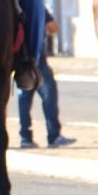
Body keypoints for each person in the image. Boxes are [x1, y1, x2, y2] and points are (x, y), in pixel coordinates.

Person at [18, 9, 75, 149]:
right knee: (49, 97)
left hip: (20, 62)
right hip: (38, 62)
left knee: (24, 99)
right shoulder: (35, 5)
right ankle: (54, 136)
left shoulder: (13, 7)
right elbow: (54, 28)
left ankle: (25, 138)